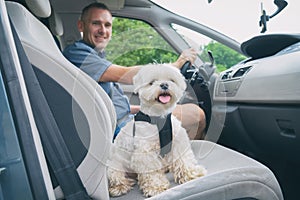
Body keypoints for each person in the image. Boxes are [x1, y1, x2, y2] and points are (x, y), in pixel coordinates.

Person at [63, 2, 206, 140]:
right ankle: (180, 159)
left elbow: (114, 105)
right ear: (81, 26)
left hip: (125, 120)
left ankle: (176, 159)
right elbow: (126, 75)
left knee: (188, 113)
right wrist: (177, 64)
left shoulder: (96, 56)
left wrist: (142, 108)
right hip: (121, 129)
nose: (103, 30)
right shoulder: (78, 53)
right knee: (197, 116)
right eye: (96, 23)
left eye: (107, 25)